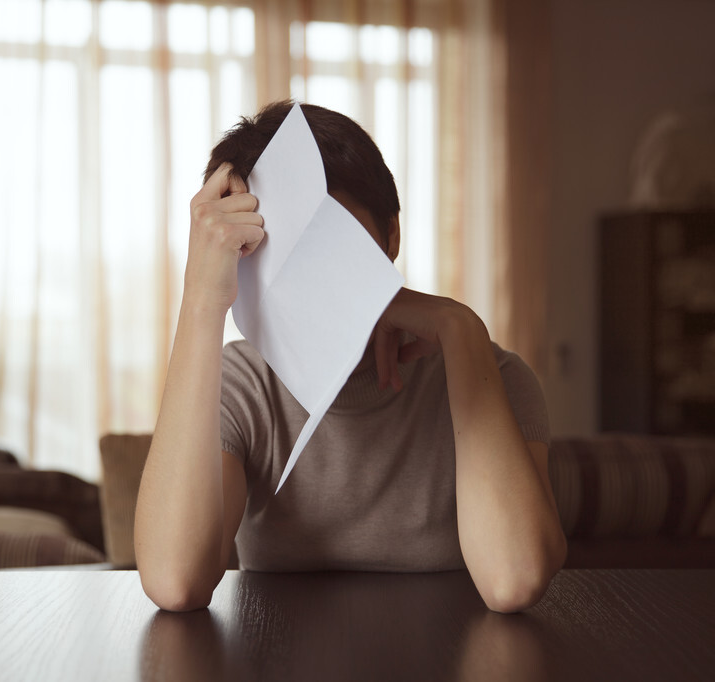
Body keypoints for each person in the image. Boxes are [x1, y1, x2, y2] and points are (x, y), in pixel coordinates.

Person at [134, 101, 567, 613]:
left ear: (391, 236)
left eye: (331, 247)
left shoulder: (493, 376)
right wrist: (202, 299)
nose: (307, 283)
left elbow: (514, 580)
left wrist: (460, 328)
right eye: (269, 255)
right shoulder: (245, 385)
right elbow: (174, 581)